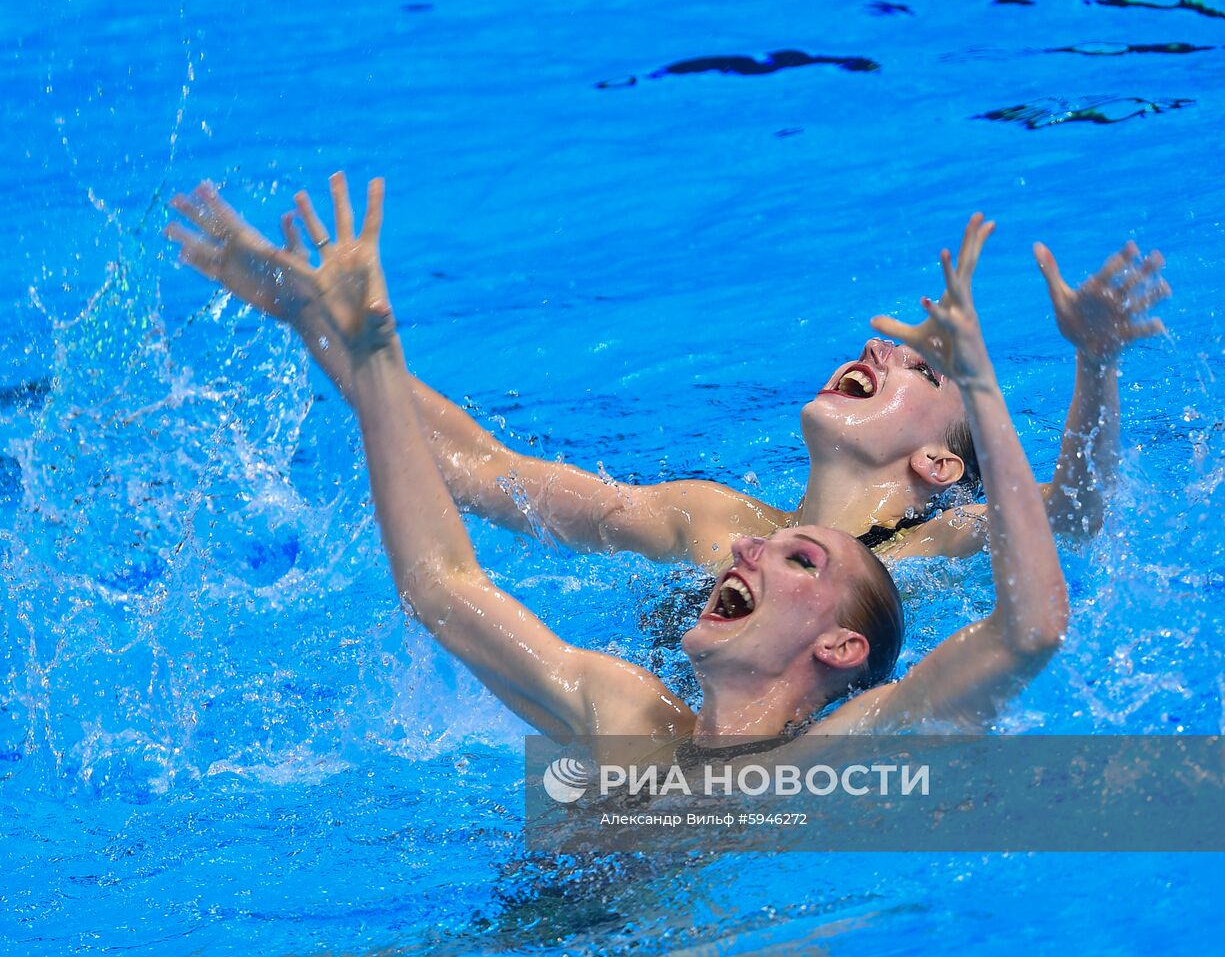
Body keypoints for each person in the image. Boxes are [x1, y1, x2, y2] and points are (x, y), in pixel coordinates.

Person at [172, 173, 1067, 768]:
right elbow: (443, 580)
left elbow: (1031, 621)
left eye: (798, 561)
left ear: (842, 649)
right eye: (771, 549)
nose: (745, 554)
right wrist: (354, 343)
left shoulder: (841, 748)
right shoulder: (627, 707)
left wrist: (1009, 381)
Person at [164, 180, 1168, 579]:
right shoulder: (702, 518)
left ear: (945, 459)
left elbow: (1071, 516)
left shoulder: (941, 539)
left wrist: (1096, 364)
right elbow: (477, 467)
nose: (878, 349)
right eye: (883, 343)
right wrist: (320, 327)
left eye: (922, 365)